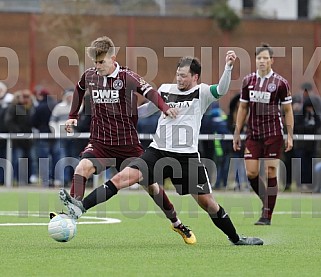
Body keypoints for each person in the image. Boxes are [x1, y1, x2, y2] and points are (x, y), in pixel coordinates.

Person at [60, 51, 264, 246]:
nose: (179, 79)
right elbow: (146, 110)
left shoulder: (202, 93)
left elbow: (221, 90)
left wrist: (228, 67)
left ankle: (236, 238)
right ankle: (80, 208)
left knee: (208, 203)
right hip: (157, 152)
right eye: (177, 74)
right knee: (121, 179)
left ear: (195, 77)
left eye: (183, 76)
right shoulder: (166, 89)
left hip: (187, 158)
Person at [59, 36, 195, 244]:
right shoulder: (90, 76)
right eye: (95, 62)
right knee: (82, 168)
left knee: (153, 188)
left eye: (101, 61)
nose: (97, 66)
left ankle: (177, 223)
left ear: (113, 58)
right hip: (100, 143)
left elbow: (151, 93)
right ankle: (73, 210)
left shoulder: (128, 77)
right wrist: (72, 116)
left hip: (128, 145)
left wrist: (166, 109)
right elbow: (78, 89)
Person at [233, 43, 294, 225]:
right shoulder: (248, 81)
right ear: (255, 60)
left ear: (271, 60)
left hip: (273, 133)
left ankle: (267, 215)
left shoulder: (280, 83)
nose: (262, 61)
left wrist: (289, 135)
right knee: (251, 173)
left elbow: (288, 110)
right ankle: (266, 202)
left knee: (270, 171)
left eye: (265, 58)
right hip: (253, 133)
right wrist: (237, 132)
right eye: (259, 58)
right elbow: (243, 107)